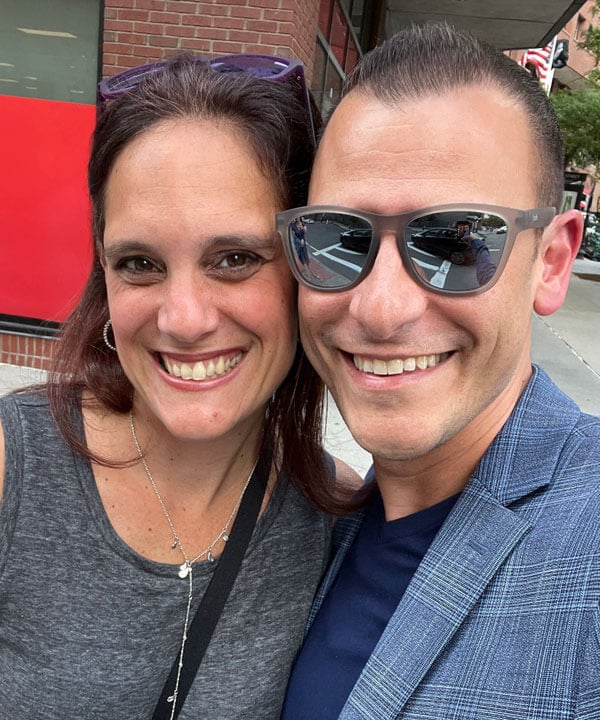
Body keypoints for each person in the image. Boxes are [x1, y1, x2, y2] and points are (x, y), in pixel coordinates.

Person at [0, 55, 356, 720]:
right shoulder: (13, 468)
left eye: (235, 259)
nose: (183, 319)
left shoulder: (332, 519)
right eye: (140, 264)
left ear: (306, 268)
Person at [278, 23, 600, 719]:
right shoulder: (315, 529)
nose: (381, 308)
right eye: (339, 240)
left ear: (551, 261)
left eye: (456, 242)